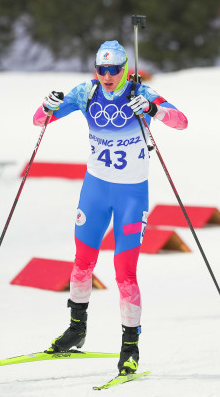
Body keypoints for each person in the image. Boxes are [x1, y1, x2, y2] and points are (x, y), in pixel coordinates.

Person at [32, 40, 188, 375]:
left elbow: (181, 121)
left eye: (113, 69)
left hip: (131, 196)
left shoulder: (142, 92)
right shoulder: (85, 93)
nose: (106, 75)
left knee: (125, 274)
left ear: (124, 69)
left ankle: (130, 348)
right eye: (100, 69)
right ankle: (76, 329)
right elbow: (38, 121)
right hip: (95, 190)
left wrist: (152, 111)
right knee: (81, 263)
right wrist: (46, 107)